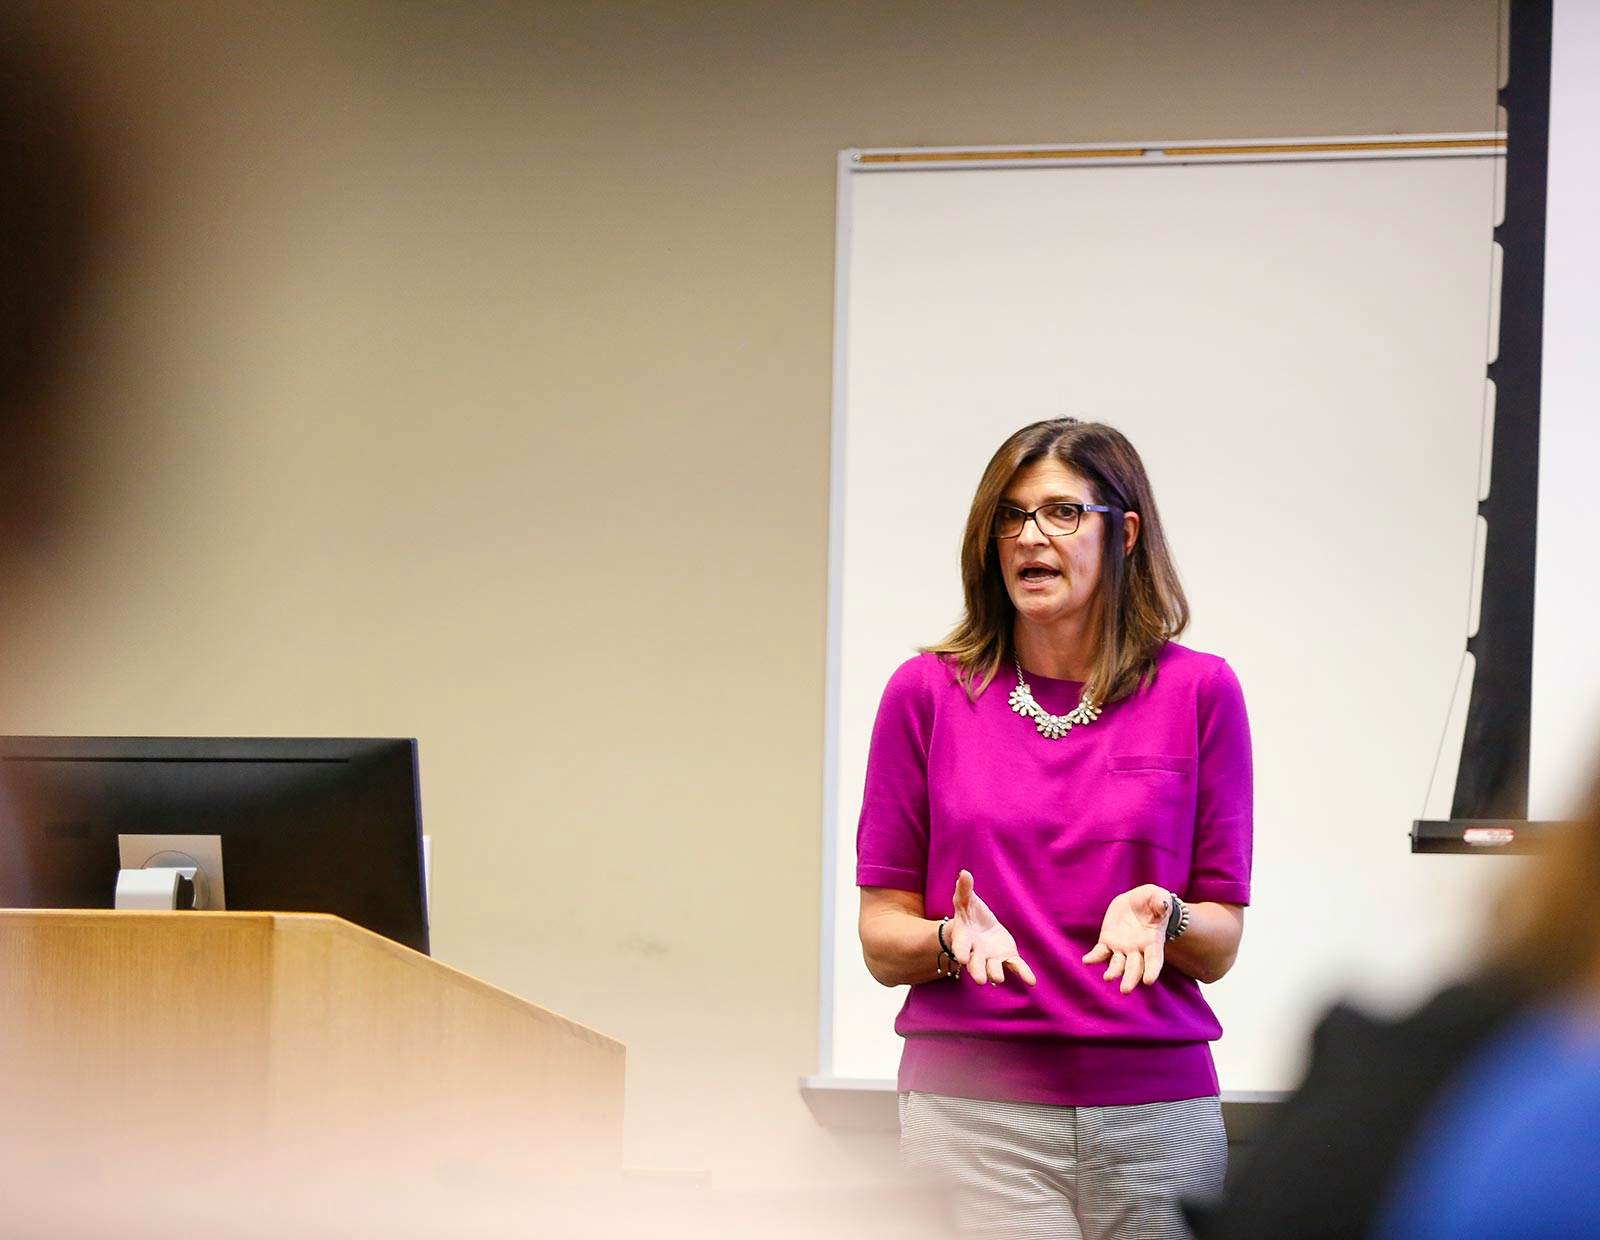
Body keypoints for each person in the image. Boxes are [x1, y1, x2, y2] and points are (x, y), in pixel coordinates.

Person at [856, 417, 1253, 1240]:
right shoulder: (925, 694)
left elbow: (1218, 942)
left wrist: (1168, 915)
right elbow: (881, 938)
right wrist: (948, 941)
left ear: (1124, 534)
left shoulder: (1201, 693)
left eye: (1062, 513)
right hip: (974, 1118)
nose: (1031, 536)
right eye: (1011, 515)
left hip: (1158, 1117)